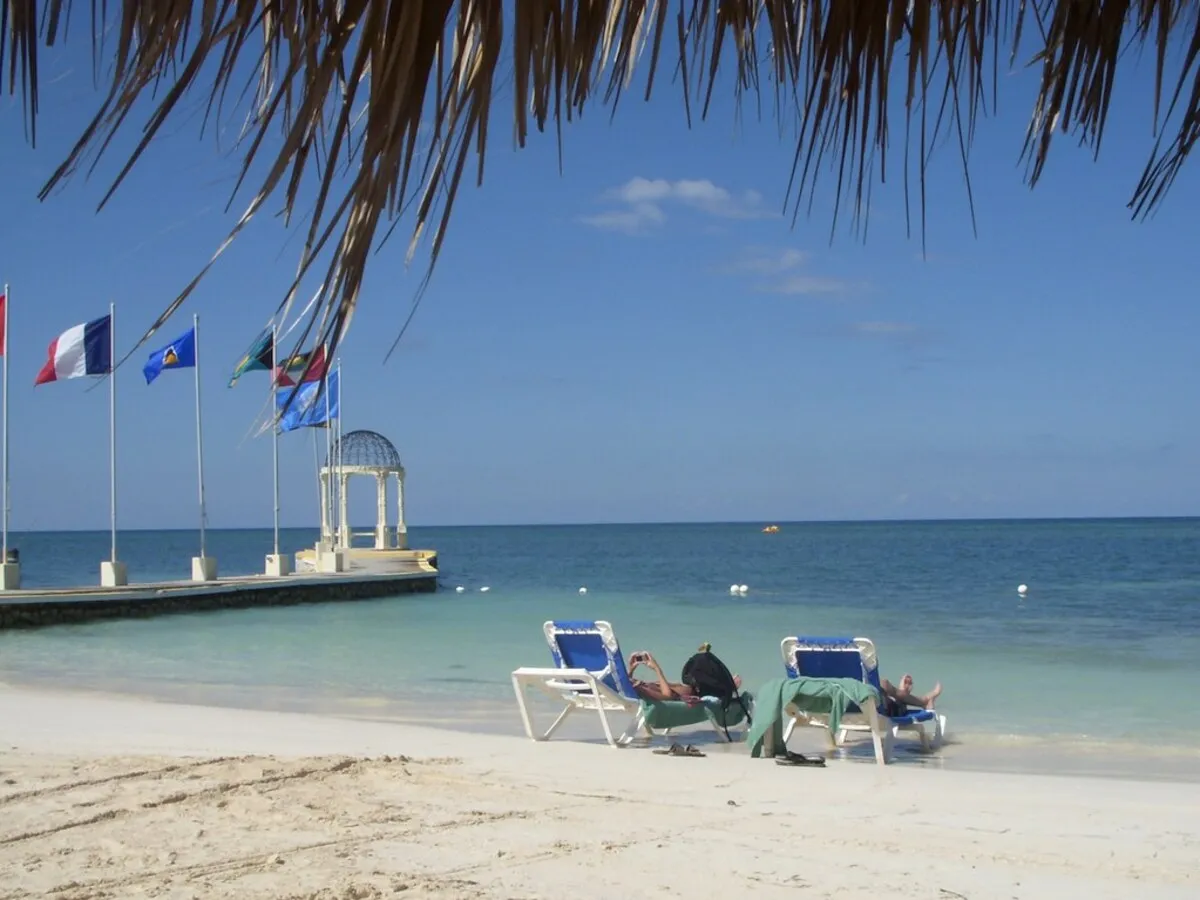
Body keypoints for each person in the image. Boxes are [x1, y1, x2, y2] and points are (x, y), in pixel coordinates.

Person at [626, 650, 742, 703]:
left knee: (700, 661)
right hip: (696, 692)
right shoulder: (640, 689)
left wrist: (631, 669)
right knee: (701, 661)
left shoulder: (637, 685)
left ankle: (726, 683)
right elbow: (667, 696)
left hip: (690, 687)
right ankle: (727, 685)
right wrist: (657, 669)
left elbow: (667, 686)